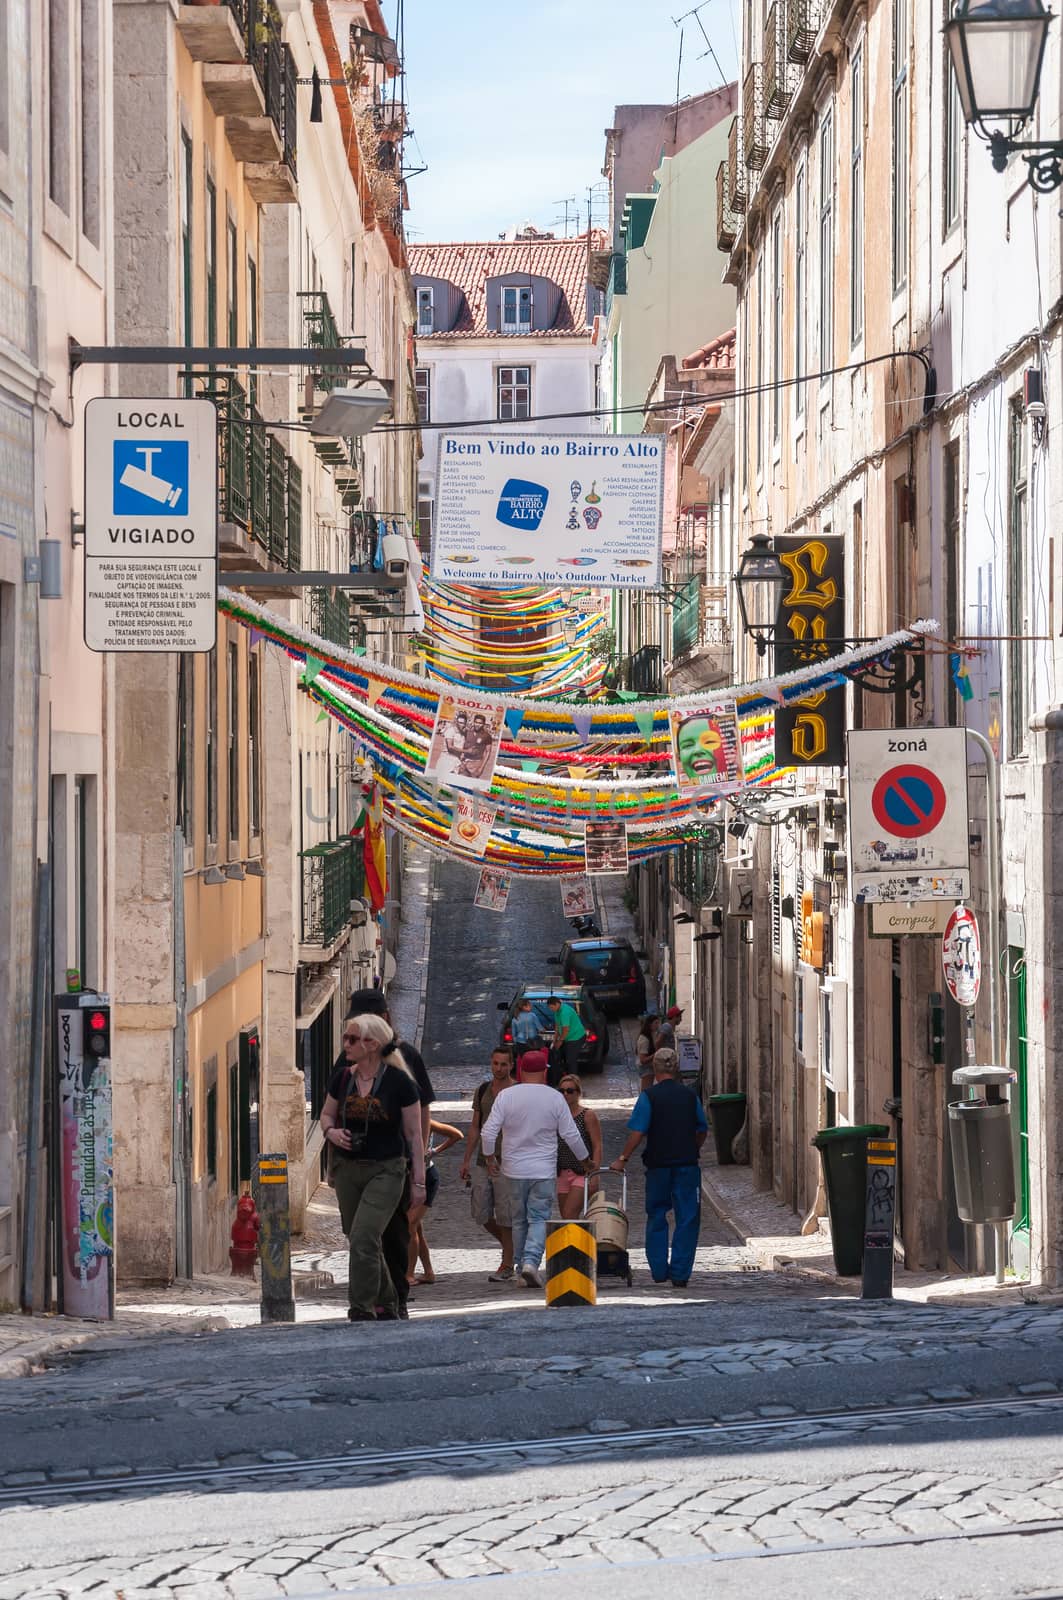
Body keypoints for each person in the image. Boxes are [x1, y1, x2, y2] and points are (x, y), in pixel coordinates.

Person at [320, 1013, 426, 1321]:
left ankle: (361, 1307)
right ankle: (389, 1300)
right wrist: (332, 1133)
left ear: (373, 1044)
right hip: (348, 1170)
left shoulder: (400, 1084)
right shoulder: (342, 1078)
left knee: (366, 1235)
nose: (346, 1044)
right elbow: (327, 1115)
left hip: (387, 1169)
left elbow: (414, 1135)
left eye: (352, 1039)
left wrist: (419, 1181)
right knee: (359, 1238)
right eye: (346, 1038)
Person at [344, 988, 436, 1318]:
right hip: (355, 1164)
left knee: (395, 1232)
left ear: (382, 1021)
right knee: (360, 1232)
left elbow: (423, 1109)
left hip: (395, 1161)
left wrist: (419, 1159)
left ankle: (392, 1297)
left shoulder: (407, 1056)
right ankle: (377, 1296)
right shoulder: (349, 1057)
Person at [480, 1049, 588, 1287]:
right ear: (543, 1071)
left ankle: (520, 1270)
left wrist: (489, 1158)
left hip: (513, 1169)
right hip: (542, 1169)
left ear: (521, 1070)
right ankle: (530, 1262)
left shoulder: (507, 1096)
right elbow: (570, 1134)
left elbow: (488, 1132)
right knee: (538, 1217)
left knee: (519, 1219)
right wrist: (585, 1159)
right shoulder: (554, 1098)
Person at [610, 1046, 707, 1288]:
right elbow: (702, 1129)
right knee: (688, 1218)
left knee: (656, 1216)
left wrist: (623, 1157)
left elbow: (638, 1131)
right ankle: (681, 1273)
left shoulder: (649, 1097)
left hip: (658, 1165)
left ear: (655, 1069)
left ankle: (659, 1269)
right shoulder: (689, 1096)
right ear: (676, 1069)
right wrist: (694, 1147)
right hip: (686, 1164)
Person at [459, 1046, 517, 1280]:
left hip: (508, 1161)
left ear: (511, 1065)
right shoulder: (482, 1090)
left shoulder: (517, 1091)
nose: (499, 1068)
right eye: (495, 1063)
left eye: (504, 1064)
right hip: (484, 1160)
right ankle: (510, 1247)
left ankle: (507, 1263)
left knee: (505, 1214)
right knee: (481, 1213)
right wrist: (466, 1160)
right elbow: (476, 1126)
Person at [407, 1117, 463, 1285]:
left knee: (410, 1224)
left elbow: (457, 1135)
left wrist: (433, 1151)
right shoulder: (400, 1120)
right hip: (407, 1178)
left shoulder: (426, 1122)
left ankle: (408, 1274)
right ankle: (428, 1272)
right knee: (416, 1227)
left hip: (426, 1177)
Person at [556, 1075, 603, 1218]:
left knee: (569, 1213)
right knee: (566, 1218)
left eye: (569, 1090)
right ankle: (576, 1240)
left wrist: (595, 1173)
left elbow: (597, 1145)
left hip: (582, 1173)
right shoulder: (557, 1116)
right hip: (562, 1172)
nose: (565, 1094)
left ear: (578, 1093)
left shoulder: (587, 1115)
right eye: (561, 1091)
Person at [546, 994, 586, 1085]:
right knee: (559, 1057)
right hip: (567, 1037)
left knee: (570, 1060)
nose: (551, 1010)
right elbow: (557, 1026)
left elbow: (565, 1029)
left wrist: (560, 1041)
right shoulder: (557, 1011)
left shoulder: (565, 1012)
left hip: (576, 1037)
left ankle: (574, 1081)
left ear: (557, 1004)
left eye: (552, 1007)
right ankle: (562, 1077)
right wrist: (554, 1040)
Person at [511, 998, 541, 1064]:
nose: (531, 1006)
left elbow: (513, 1034)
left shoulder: (515, 1018)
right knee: (534, 1062)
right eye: (529, 1005)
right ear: (524, 1007)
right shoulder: (532, 1015)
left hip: (520, 1043)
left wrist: (516, 1042)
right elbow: (540, 1028)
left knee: (525, 1062)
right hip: (533, 1043)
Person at [635, 1013, 657, 1092]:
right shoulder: (644, 1039)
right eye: (656, 1023)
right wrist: (656, 1054)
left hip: (649, 1067)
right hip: (646, 1068)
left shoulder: (651, 1035)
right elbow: (643, 1059)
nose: (657, 1025)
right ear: (649, 1024)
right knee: (646, 1091)